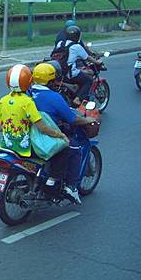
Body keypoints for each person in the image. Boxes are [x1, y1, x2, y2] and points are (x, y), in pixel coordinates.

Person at [30, 62, 98, 204]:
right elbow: (72, 119)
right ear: (50, 81)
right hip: (47, 136)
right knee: (74, 148)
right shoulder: (54, 97)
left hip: (28, 136)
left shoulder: (27, 93)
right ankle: (71, 187)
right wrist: (87, 120)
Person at [0, 64, 69, 194]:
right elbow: (42, 128)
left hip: (6, 146)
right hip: (25, 149)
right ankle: (51, 181)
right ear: (30, 81)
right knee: (63, 149)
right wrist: (60, 135)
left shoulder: (3, 100)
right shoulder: (28, 102)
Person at [58, 25, 103, 105]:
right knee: (88, 80)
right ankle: (78, 99)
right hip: (69, 74)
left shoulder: (60, 43)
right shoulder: (77, 47)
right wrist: (97, 62)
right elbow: (88, 57)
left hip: (59, 72)